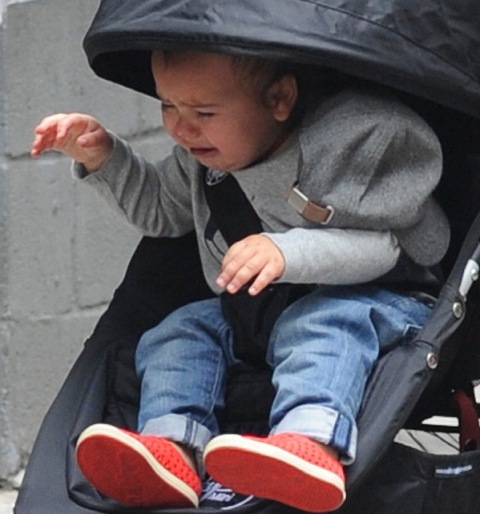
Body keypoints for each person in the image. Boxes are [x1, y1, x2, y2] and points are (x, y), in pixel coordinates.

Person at [31, 49, 450, 512]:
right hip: (258, 312)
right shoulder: (203, 163)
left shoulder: (340, 147)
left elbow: (385, 247)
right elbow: (160, 210)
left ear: (279, 99)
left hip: (375, 305)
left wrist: (286, 251)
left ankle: (311, 443)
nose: (181, 128)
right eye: (168, 106)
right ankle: (172, 448)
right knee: (180, 330)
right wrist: (104, 157)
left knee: (321, 324)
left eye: (204, 113)